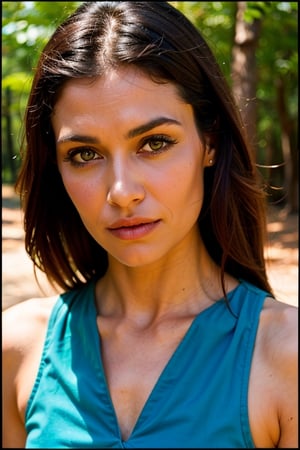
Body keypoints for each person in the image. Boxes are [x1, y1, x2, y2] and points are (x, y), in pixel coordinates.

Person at [2, 1, 297, 448]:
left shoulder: (285, 357)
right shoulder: (17, 350)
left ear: (210, 142)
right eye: (84, 154)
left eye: (155, 143)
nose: (121, 191)